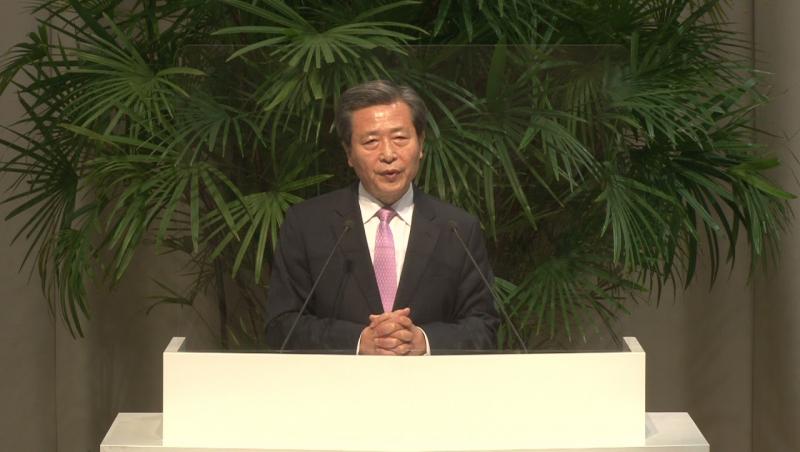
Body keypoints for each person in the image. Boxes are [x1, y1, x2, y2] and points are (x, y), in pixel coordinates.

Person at [265, 80, 499, 355]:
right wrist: (358, 341)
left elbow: (484, 327)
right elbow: (281, 325)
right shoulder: (307, 224)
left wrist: (423, 340)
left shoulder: (457, 228)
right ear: (349, 153)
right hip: (337, 380)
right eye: (371, 142)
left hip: (428, 380)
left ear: (421, 144)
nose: (388, 154)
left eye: (400, 138)